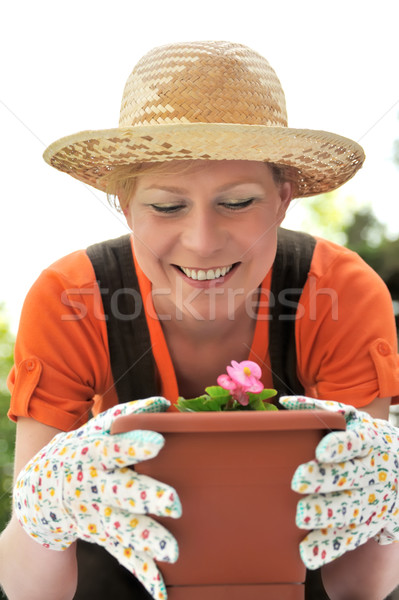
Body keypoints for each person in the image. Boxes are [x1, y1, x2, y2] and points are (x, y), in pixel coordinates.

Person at [1, 40, 399, 600]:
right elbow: (30, 591)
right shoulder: (70, 297)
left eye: (237, 203)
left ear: (283, 199)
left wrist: (388, 499)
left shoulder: (341, 293)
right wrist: (44, 501)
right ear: (123, 202)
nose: (203, 242)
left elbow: (359, 587)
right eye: (167, 206)